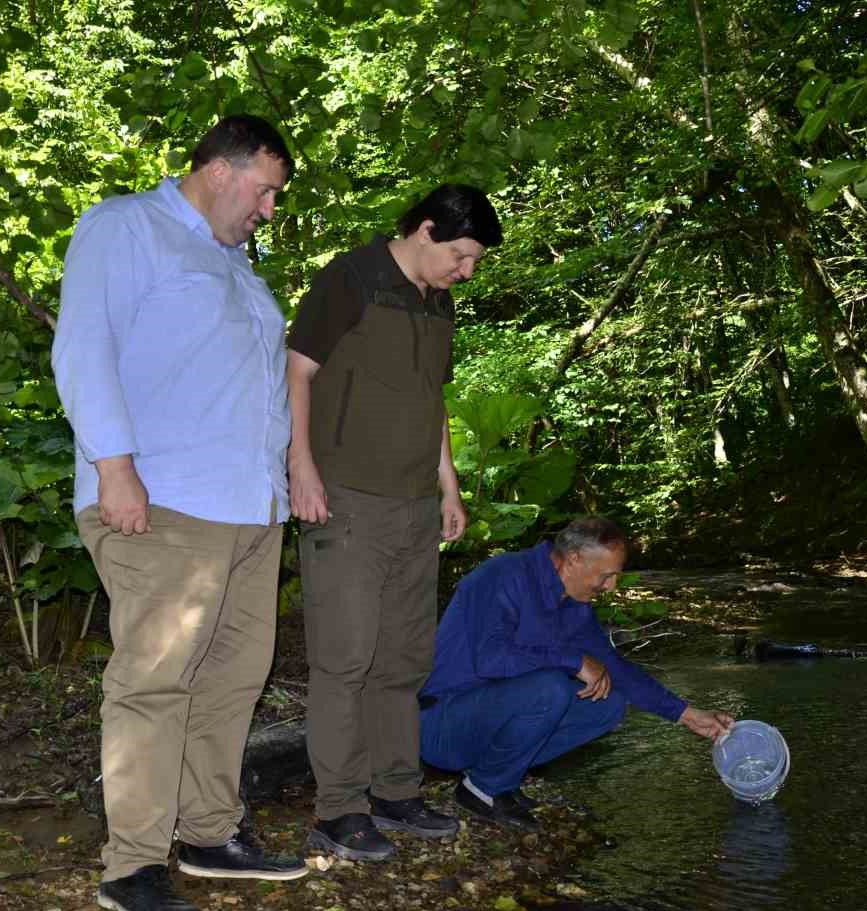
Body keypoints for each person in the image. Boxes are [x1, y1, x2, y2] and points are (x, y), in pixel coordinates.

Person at [51, 115, 309, 911]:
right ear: (220, 171)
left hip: (248, 508)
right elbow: (83, 348)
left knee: (233, 680)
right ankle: (130, 864)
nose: (270, 209)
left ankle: (206, 833)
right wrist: (114, 466)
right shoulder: (127, 226)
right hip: (163, 500)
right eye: (266, 190)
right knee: (155, 680)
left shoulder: (236, 268)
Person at [286, 185, 503, 860]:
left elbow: (432, 399)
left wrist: (449, 486)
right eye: (461, 256)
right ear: (427, 230)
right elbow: (295, 372)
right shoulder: (351, 278)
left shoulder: (441, 302)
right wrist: (302, 468)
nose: (465, 271)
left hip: (414, 506)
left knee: (403, 660)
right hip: (345, 499)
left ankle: (396, 792)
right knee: (345, 659)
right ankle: (339, 810)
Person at [419, 517, 735, 830]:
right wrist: (573, 661)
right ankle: (481, 789)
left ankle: (499, 777)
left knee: (608, 704)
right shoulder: (502, 576)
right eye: (607, 575)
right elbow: (491, 661)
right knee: (551, 688)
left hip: (484, 720)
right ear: (574, 559)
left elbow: (613, 667)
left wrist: (687, 714)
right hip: (441, 723)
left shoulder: (571, 604)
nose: (610, 586)